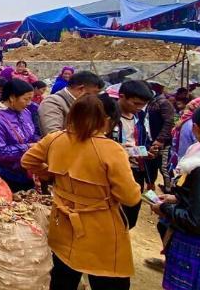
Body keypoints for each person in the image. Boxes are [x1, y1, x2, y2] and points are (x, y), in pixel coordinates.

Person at [21, 94, 141, 290]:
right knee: (107, 278)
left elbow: (28, 161)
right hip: (100, 226)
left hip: (62, 219)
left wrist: (53, 177)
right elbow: (130, 196)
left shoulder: (56, 138)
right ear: (107, 121)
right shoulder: (112, 150)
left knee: (62, 275)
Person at [154, 105, 200, 290]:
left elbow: (197, 220)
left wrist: (165, 209)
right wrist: (178, 199)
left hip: (197, 246)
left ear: (196, 129)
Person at [0, 79, 40, 191]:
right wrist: (28, 147)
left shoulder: (25, 112)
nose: (29, 103)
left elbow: (30, 134)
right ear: (12, 97)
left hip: (23, 171)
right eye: (26, 99)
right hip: (1, 175)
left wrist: (41, 142)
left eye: (30, 99)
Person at [116, 80, 156, 191]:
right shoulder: (109, 118)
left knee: (134, 203)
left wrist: (146, 152)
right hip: (117, 169)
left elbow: (143, 140)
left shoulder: (140, 117)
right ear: (121, 96)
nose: (139, 107)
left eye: (143, 105)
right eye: (136, 103)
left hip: (137, 168)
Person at [38, 71, 105, 135]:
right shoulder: (52, 102)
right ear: (81, 89)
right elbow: (52, 135)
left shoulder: (84, 104)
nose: (96, 97)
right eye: (95, 93)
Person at [147, 81, 176, 192]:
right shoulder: (150, 102)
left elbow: (169, 122)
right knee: (152, 165)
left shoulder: (163, 102)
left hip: (163, 142)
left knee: (164, 167)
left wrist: (160, 139)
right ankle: (154, 186)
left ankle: (170, 190)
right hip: (152, 141)